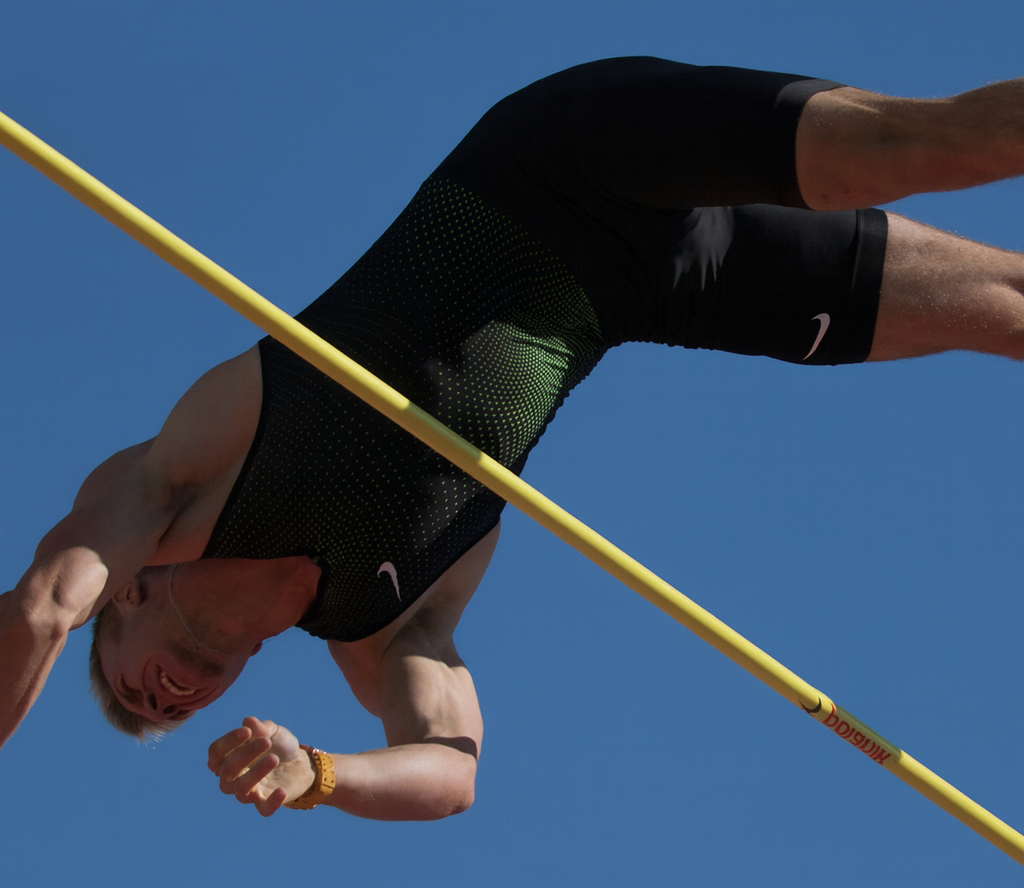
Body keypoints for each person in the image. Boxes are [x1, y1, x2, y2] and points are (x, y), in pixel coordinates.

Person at [2, 57, 1024, 820]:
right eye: (171, 715)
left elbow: (45, 607)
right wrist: (322, 772)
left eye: (128, 681)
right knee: (1009, 312)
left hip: (558, 162)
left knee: (925, 146)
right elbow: (450, 769)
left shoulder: (184, 478)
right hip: (660, 283)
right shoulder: (379, 629)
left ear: (129, 593)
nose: (162, 702)